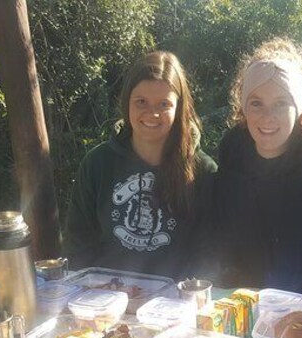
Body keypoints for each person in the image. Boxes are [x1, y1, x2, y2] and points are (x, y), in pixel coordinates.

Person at [213, 38, 302, 297]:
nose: (268, 117)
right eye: (256, 103)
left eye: (281, 103)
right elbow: (224, 230)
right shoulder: (233, 148)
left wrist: (287, 310)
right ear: (243, 106)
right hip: (246, 304)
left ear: (301, 106)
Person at [62, 51, 217, 280]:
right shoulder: (97, 164)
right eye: (141, 102)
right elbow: (78, 248)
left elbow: (209, 255)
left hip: (175, 306)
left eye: (164, 104)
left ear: (179, 108)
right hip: (105, 303)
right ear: (126, 103)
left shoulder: (204, 172)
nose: (152, 113)